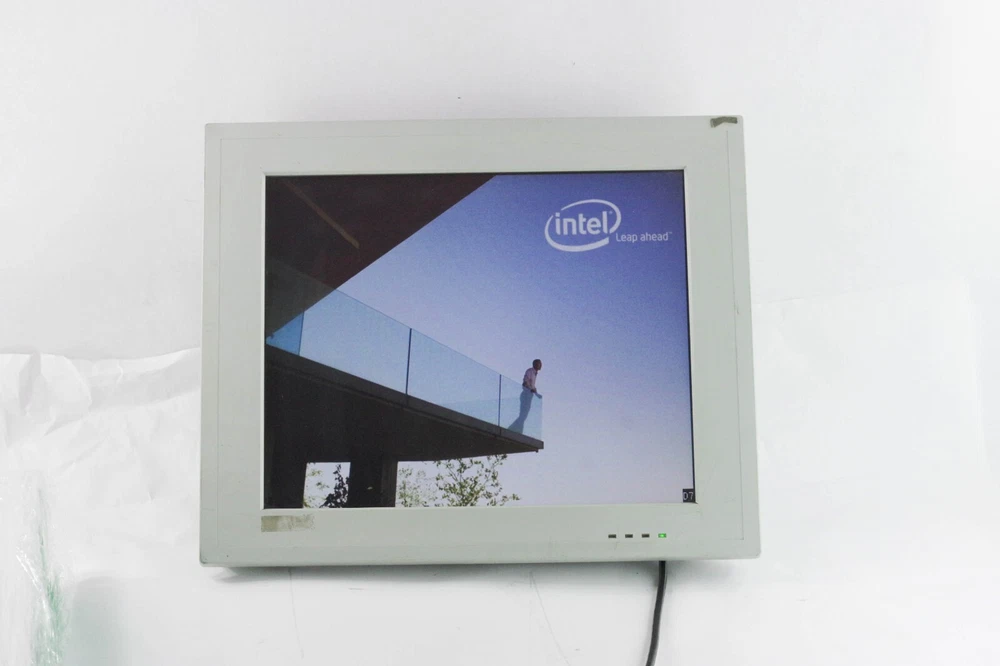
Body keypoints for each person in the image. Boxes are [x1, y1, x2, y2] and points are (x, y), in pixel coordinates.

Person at [510, 359, 542, 435]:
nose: (541, 365)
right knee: (523, 415)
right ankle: (513, 430)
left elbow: (532, 386)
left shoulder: (534, 374)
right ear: (535, 364)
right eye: (539, 363)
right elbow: (525, 383)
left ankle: (516, 430)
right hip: (526, 395)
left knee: (524, 416)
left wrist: (537, 394)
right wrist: (531, 389)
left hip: (529, 396)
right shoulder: (530, 371)